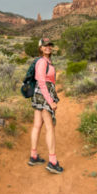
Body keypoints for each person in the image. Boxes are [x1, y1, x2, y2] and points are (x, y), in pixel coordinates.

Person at [29, 38, 64, 174]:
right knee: (50, 127)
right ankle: (53, 162)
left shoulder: (46, 61)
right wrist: (51, 101)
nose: (48, 47)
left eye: (50, 45)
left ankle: (33, 156)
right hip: (44, 95)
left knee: (37, 125)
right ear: (40, 48)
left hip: (40, 94)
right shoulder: (42, 62)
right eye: (45, 46)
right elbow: (42, 83)